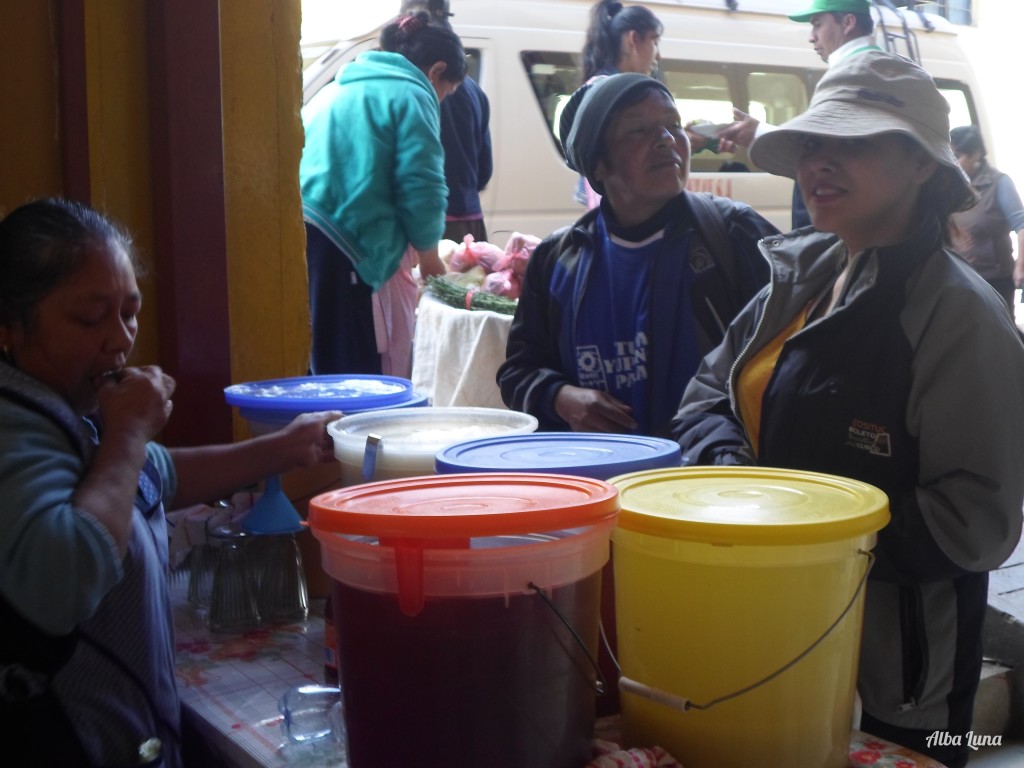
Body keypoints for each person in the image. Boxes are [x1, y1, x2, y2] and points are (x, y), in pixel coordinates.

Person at [672, 51, 1024, 768]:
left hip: (900, 685)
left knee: (955, 748)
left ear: (923, 166)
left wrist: (801, 542)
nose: (819, 164)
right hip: (768, 634)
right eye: (812, 144)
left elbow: (976, 522)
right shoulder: (803, 275)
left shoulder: (959, 319)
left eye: (854, 143)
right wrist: (736, 478)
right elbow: (708, 395)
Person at [0, 198, 342, 767]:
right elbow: (63, 582)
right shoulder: (13, 429)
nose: (120, 339)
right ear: (9, 324)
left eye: (129, 312)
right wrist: (128, 432)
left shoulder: (69, 411)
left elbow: (158, 474)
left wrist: (286, 446)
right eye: (90, 318)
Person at [498, 73, 778, 438]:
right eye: (638, 130)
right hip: (601, 481)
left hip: (709, 479)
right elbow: (518, 370)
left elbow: (789, 356)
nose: (666, 140)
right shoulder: (559, 260)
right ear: (597, 163)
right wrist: (560, 397)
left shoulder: (732, 234)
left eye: (673, 125)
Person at [300, 12, 466, 376]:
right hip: (352, 244)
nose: (441, 100)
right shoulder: (412, 92)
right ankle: (356, 433)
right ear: (437, 71)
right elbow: (421, 184)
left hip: (309, 235)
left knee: (326, 357)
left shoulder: (340, 87)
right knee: (361, 371)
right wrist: (430, 257)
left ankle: (327, 433)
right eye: (447, 92)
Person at [718, 0, 880, 229]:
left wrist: (758, 132)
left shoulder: (854, 73)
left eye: (817, 24)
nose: (811, 37)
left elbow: (830, 150)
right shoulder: (877, 68)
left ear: (848, 23)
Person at [399, 0, 494, 244]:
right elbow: (484, 172)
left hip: (422, 226)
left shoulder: (404, 87)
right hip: (468, 223)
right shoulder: (474, 90)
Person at [949, 124, 1024, 313]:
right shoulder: (951, 182)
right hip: (960, 277)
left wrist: (1020, 266)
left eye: (958, 156)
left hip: (995, 279)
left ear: (976, 154)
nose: (953, 162)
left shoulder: (999, 183)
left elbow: (1021, 225)